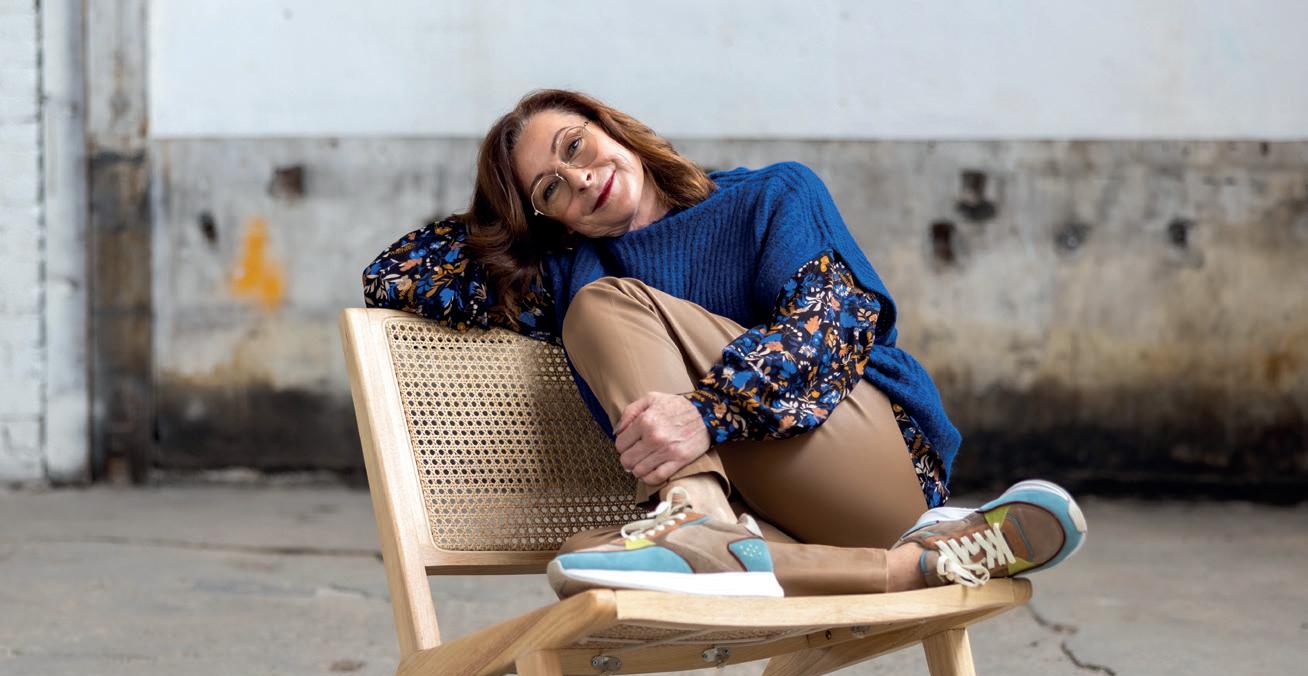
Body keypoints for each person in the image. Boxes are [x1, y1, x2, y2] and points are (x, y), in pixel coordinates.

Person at [362, 89, 1086, 597]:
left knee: (601, 306)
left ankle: (698, 515)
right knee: (587, 563)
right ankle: (908, 568)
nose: (580, 178)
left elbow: (829, 330)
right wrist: (510, 222)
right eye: (551, 189)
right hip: (766, 514)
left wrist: (704, 414)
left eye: (576, 146)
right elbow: (394, 274)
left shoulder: (771, 196)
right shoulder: (567, 266)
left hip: (873, 458)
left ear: (613, 128)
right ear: (552, 220)